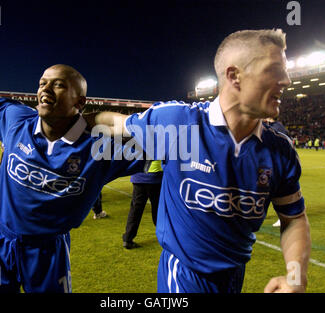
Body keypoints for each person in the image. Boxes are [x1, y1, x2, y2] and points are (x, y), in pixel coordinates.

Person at [0, 9, 143, 293]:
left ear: (80, 102)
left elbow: (164, 141)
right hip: (0, 243)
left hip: (48, 252)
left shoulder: (99, 147)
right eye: (42, 83)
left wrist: (99, 118)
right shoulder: (15, 118)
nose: (45, 89)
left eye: (58, 84)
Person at [93, 29, 311, 293]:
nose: (286, 80)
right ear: (234, 76)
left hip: (234, 277)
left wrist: (296, 276)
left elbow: (294, 219)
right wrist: (70, 121)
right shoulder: (177, 122)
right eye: (274, 70)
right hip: (183, 277)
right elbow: (116, 123)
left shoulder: (280, 150)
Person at [123, 160, 163, 249]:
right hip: (155, 177)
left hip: (138, 177)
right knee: (158, 210)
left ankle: (128, 239)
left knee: (135, 210)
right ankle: (164, 236)